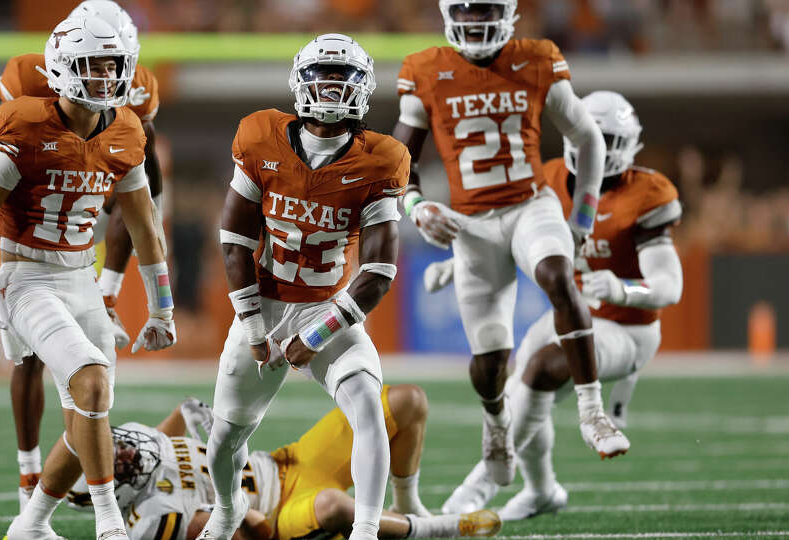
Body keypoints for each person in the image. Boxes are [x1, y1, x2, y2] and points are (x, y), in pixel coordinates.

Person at [0, 16, 175, 540]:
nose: (105, 76)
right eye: (92, 65)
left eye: (112, 65)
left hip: (81, 276)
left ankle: (29, 525)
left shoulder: (125, 128)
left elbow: (144, 227)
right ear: (62, 67)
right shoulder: (24, 123)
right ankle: (109, 523)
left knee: (87, 417)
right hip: (26, 275)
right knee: (91, 382)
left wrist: (162, 307)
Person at [391, 0, 625, 487]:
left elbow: (588, 139)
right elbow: (398, 162)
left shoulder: (536, 58)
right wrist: (417, 208)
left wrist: (581, 220)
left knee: (559, 277)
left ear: (507, 13)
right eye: (467, 11)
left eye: (485, 10)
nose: (476, 21)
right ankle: (496, 423)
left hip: (529, 206)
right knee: (491, 360)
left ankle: (593, 411)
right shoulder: (425, 69)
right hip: (471, 225)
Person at [438, 91, 683, 520]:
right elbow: (503, 228)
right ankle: (543, 490)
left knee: (543, 369)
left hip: (627, 329)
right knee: (517, 395)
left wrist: (626, 290)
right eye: (594, 136)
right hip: (570, 315)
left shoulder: (648, 194)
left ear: (629, 146)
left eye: (608, 139)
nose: (597, 147)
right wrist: (459, 259)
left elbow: (669, 286)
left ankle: (475, 489)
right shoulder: (547, 177)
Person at [205, 33, 409, 540]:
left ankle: (364, 530)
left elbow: (379, 272)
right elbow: (234, 242)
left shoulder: (381, 159)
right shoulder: (260, 137)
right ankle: (228, 510)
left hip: (330, 308)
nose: (333, 89)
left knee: (367, 405)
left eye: (345, 80)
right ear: (301, 82)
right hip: (267, 305)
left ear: (363, 90)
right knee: (226, 437)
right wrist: (253, 327)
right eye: (322, 77)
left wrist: (315, 336)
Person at [68, 386, 501, 540]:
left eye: (116, 445)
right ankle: (438, 529)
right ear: (112, 488)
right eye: (115, 459)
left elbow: (177, 421)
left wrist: (193, 412)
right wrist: (243, 509)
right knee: (334, 508)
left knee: (407, 401)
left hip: (285, 463)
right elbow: (246, 531)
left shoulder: (143, 446)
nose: (123, 451)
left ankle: (408, 503)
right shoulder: (148, 519)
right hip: (279, 516)